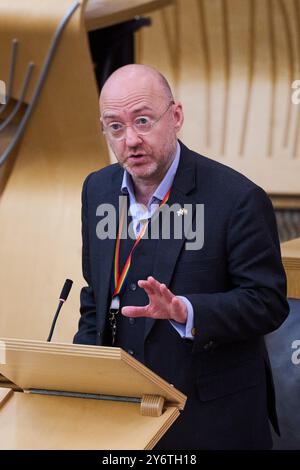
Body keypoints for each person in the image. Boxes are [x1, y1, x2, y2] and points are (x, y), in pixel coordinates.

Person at [73, 64, 289, 449]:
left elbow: (268, 303)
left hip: (212, 419)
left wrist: (185, 311)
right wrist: (79, 382)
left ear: (175, 117)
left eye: (143, 121)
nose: (131, 140)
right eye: (115, 127)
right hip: (124, 417)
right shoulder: (98, 190)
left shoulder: (237, 199)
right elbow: (96, 296)